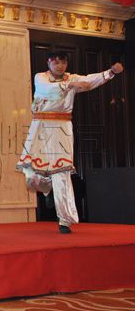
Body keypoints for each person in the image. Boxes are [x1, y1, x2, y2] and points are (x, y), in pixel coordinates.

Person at [17, 51, 124, 234]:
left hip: (62, 128)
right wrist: (69, 85)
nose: (60, 66)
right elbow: (47, 90)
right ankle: (47, 188)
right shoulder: (41, 77)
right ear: (49, 63)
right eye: (56, 62)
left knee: (62, 172)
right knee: (31, 173)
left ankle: (64, 220)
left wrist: (110, 72)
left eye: (63, 62)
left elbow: (90, 80)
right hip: (40, 127)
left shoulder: (72, 78)